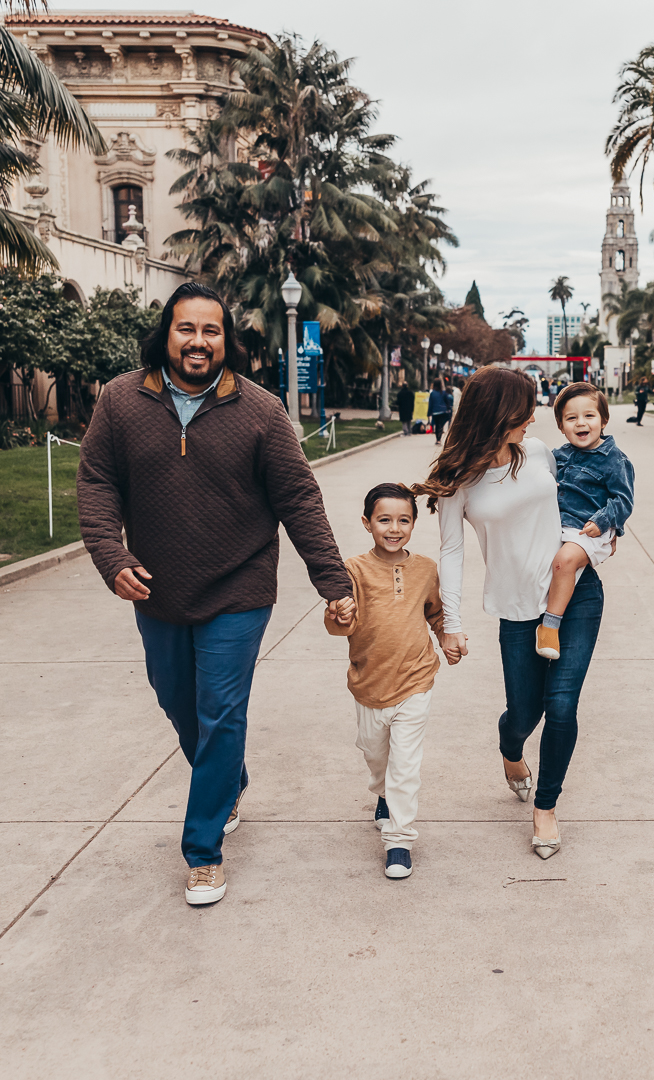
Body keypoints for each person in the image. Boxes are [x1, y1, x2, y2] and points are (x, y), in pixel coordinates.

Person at [77, 282, 356, 907]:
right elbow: (96, 483)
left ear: (226, 341)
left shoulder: (260, 411)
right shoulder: (121, 401)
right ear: (166, 334)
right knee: (178, 701)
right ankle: (228, 779)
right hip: (156, 587)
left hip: (241, 585)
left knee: (221, 710)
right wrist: (110, 556)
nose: (199, 341)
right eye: (186, 329)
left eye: (211, 331)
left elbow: (298, 499)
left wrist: (333, 583)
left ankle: (202, 853)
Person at [415, 367, 610, 860]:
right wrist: (450, 624)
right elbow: (453, 552)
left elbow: (589, 505)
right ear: (500, 414)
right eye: (525, 409)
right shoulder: (459, 479)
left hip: (576, 597)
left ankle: (546, 807)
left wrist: (595, 545)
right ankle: (510, 750)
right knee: (525, 713)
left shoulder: (540, 452)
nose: (533, 418)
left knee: (562, 707)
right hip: (516, 610)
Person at [325, 483, 456, 879]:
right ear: (367, 523)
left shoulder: (425, 569)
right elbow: (336, 626)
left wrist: (447, 637)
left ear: (414, 524)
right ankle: (381, 794)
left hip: (416, 678)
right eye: (384, 520)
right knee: (374, 752)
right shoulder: (353, 570)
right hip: (369, 682)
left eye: (403, 520)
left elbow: (436, 612)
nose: (394, 528)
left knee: (405, 765)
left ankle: (399, 840)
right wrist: (340, 616)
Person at [535, 383, 634, 661]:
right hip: (562, 527)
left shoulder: (614, 460)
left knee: (564, 562)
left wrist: (603, 521)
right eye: (571, 418)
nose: (581, 423)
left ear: (603, 420)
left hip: (588, 529)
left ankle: (550, 627)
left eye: (589, 416)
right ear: (560, 425)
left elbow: (623, 501)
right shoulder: (559, 456)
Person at [428, 378, 452, 444]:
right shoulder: (443, 393)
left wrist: (429, 413)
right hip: (442, 412)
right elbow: (447, 402)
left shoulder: (432, 393)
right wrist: (449, 409)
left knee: (437, 426)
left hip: (435, 412)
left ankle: (437, 439)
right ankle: (439, 439)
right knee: (440, 425)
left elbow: (431, 404)